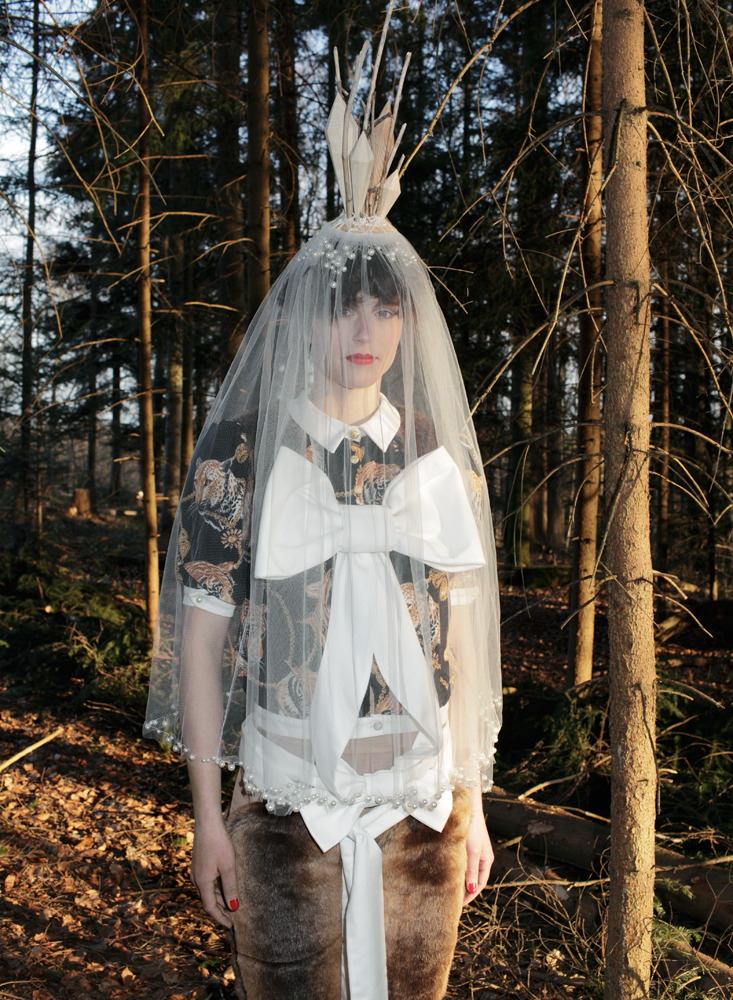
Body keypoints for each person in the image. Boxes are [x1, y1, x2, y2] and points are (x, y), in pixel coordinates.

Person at [145, 18, 501, 1000]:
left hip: (425, 814)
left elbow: (466, 640)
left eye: (384, 307)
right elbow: (201, 642)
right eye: (344, 305)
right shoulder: (243, 453)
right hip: (282, 811)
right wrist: (208, 817)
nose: (364, 329)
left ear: (406, 318)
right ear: (306, 313)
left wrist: (472, 803)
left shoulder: (435, 459)